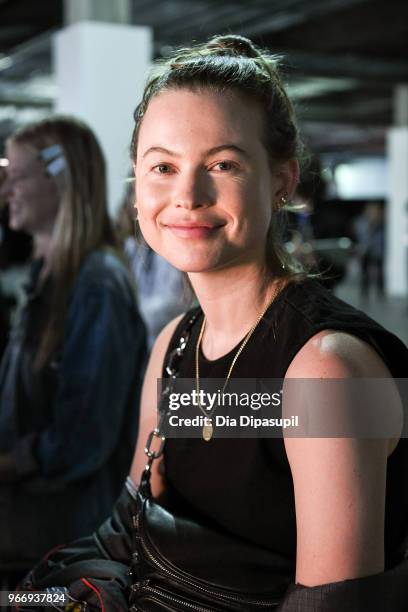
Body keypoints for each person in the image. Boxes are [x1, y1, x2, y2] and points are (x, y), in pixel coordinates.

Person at [22, 37, 408, 611]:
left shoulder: (328, 371)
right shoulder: (177, 345)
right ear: (136, 189)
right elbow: (130, 535)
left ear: (282, 181)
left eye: (222, 164)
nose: (187, 195)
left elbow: (333, 605)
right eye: (162, 167)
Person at [0, 117, 147, 570]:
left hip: (65, 544)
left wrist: (8, 464)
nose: (7, 191)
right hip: (33, 533)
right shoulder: (49, 278)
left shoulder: (96, 284)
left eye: (16, 176)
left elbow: (83, 438)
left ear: (59, 177)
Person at [116, 182, 186, 349]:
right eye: (133, 194)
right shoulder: (130, 246)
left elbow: (173, 304)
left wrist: (127, 315)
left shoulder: (175, 246)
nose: (137, 200)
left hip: (165, 342)